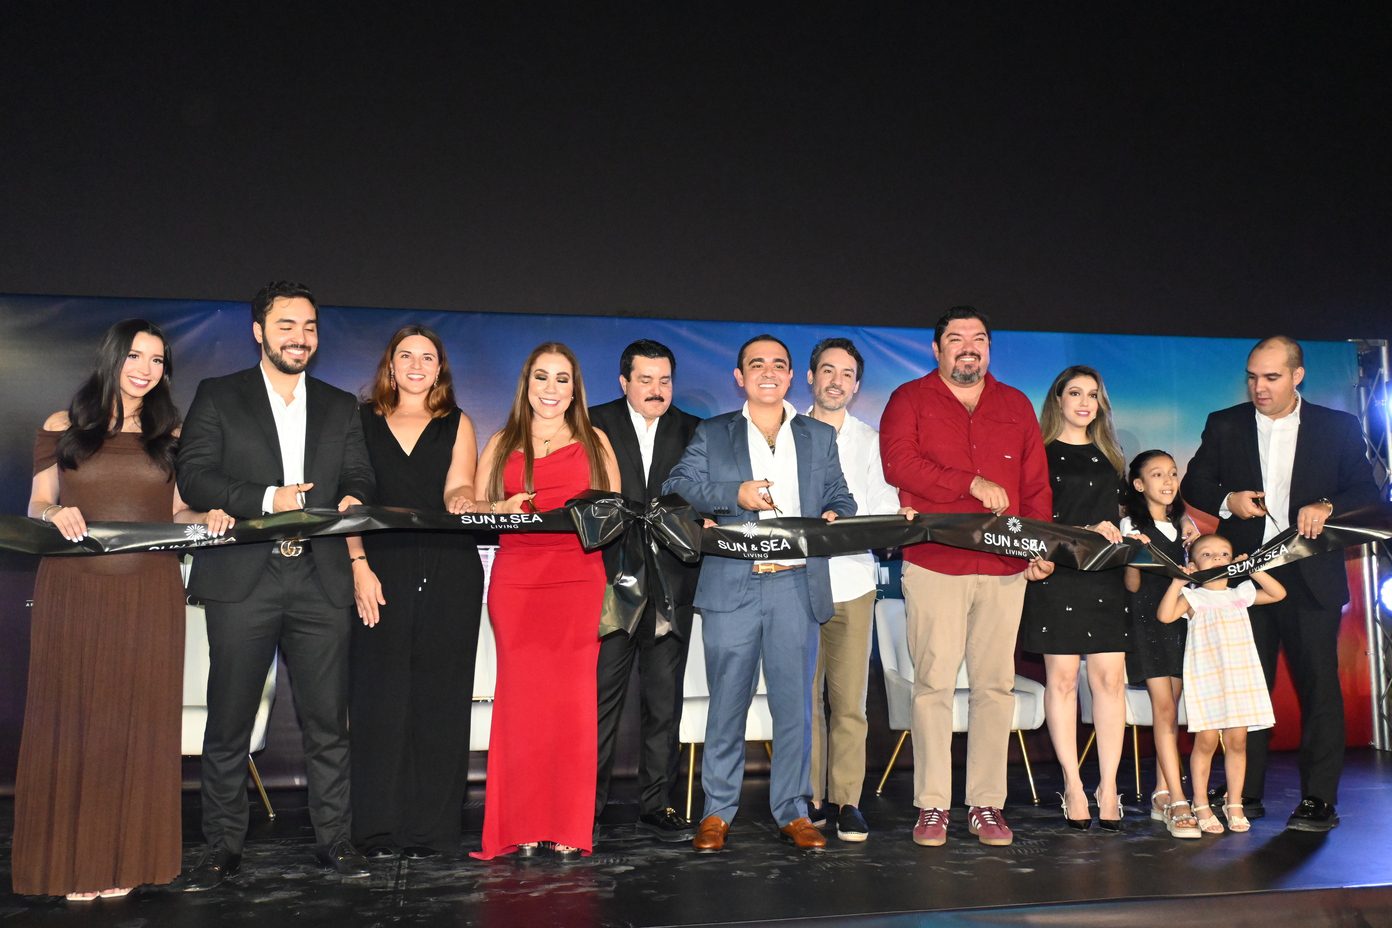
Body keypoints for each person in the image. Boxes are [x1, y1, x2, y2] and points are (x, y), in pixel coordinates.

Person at [14, 320, 232, 900]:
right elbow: (37, 502)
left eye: (158, 361)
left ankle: (129, 860)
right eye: (136, 356)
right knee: (75, 721)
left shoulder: (172, 434)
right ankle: (73, 863)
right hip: (74, 593)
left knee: (138, 723)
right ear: (112, 357)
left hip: (150, 595)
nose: (145, 369)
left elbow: (178, 513)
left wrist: (206, 518)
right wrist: (55, 514)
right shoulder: (62, 426)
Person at [176, 282, 376, 889]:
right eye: (287, 325)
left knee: (328, 723)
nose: (300, 337)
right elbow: (195, 476)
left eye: (309, 326)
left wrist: (354, 498)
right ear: (258, 332)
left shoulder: (340, 405)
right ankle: (222, 846)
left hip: (320, 578)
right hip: (244, 577)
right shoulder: (219, 394)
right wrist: (269, 499)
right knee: (228, 722)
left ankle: (335, 841)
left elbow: (361, 475)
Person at [664, 333, 856, 854]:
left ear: (792, 376)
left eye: (778, 365)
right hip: (733, 584)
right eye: (756, 364)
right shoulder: (713, 432)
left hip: (796, 584)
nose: (768, 372)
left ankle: (793, 810)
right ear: (739, 376)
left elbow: (841, 496)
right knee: (727, 704)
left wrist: (834, 515)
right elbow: (677, 486)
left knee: (795, 707)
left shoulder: (818, 435)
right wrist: (734, 495)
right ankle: (716, 812)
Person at [1181, 335, 1378, 831]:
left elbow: (1366, 492)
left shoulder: (1337, 426)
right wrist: (1228, 501)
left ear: (1297, 375)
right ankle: (1243, 792)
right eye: (1252, 377)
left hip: (1311, 576)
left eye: (1271, 377)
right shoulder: (1225, 423)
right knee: (1245, 686)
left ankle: (1319, 798)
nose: (1259, 387)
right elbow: (1194, 482)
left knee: (1319, 688)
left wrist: (1328, 506)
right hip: (1244, 577)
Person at [879, 306, 1051, 848]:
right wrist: (970, 483)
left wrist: (1039, 545)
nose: (968, 346)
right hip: (936, 562)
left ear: (989, 348)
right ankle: (932, 805)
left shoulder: (1016, 404)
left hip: (1004, 567)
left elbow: (1035, 484)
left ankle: (986, 804)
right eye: (956, 338)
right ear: (937, 349)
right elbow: (898, 464)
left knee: (994, 687)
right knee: (932, 686)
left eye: (978, 338)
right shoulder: (909, 399)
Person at [470, 342, 620, 861]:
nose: (551, 388)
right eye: (541, 377)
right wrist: (501, 507)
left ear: (575, 389)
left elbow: (614, 512)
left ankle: (567, 825)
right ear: (526, 385)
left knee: (572, 707)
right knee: (521, 705)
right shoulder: (501, 441)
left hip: (578, 581)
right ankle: (521, 824)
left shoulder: (595, 441)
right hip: (517, 582)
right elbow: (474, 508)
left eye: (562, 379)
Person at [345, 325, 484, 860]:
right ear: (391, 364)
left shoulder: (457, 422)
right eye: (407, 355)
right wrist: (357, 563)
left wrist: (464, 499)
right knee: (378, 700)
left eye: (428, 357)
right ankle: (376, 829)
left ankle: (431, 831)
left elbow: (459, 485)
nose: (417, 365)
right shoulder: (360, 421)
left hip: (449, 569)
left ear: (440, 367)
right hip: (379, 570)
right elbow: (349, 500)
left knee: (440, 701)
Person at [588, 339, 701, 842]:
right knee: (599, 702)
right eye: (646, 380)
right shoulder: (592, 422)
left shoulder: (694, 429)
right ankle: (585, 806)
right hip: (609, 584)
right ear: (624, 381)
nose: (657, 390)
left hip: (671, 584)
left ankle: (657, 803)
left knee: (663, 701)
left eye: (665, 380)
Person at [1019, 366, 1130, 831]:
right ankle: (1073, 784)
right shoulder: (1039, 454)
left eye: (1093, 394)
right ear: (1058, 399)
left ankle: (1108, 785)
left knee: (1110, 682)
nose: (1085, 402)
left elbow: (1129, 515)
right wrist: (1081, 531)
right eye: (1075, 393)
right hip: (1057, 575)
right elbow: (1030, 519)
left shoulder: (1113, 457)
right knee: (1062, 681)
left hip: (1104, 577)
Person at [802, 337, 902, 842]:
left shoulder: (871, 440)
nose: (836, 381)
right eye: (828, 370)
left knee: (849, 703)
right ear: (810, 377)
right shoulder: (785, 433)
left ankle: (847, 801)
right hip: (795, 582)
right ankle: (809, 798)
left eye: (846, 374)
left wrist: (892, 519)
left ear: (857, 385)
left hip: (854, 581)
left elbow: (883, 502)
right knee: (803, 701)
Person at [1158, 534, 1286, 834]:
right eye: (1207, 554)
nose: (1217, 558)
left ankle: (1235, 802)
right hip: (1207, 678)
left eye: (1224, 554)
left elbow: (1278, 593)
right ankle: (1201, 802)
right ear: (1193, 564)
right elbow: (1165, 616)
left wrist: (1253, 569)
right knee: (1206, 741)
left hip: (1240, 677)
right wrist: (1177, 582)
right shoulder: (1194, 598)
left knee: (1238, 741)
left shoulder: (1239, 594)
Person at [1120, 449, 1201, 839]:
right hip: (1146, 623)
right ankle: (1180, 801)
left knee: (1173, 710)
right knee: (1164, 711)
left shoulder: (1185, 527)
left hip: (1179, 623)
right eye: (1157, 475)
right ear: (1139, 484)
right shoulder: (1130, 526)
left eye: (1172, 473)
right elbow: (1131, 585)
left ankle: (1161, 793)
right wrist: (1133, 555)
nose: (1167, 481)